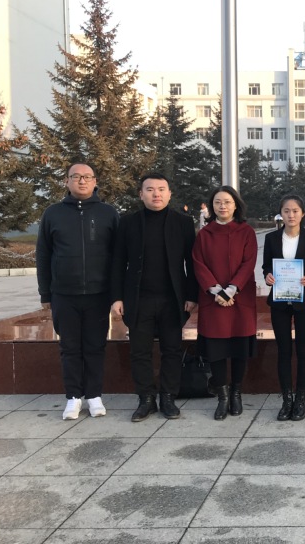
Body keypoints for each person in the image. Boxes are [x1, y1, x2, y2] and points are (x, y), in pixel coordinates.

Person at [111, 173, 198, 422]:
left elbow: (191, 263)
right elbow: (118, 262)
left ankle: (168, 397)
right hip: (139, 298)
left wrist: (191, 295)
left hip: (173, 299)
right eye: (150, 189)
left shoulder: (183, 222)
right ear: (141, 194)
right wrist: (117, 297)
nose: (156, 194)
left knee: (172, 350)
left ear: (169, 194)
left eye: (161, 189)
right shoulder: (128, 223)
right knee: (140, 351)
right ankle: (146, 399)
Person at [36, 162, 119, 420]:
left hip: (98, 294)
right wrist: (45, 294)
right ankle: (73, 397)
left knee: (95, 346)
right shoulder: (53, 214)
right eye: (76, 176)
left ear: (95, 181)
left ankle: (94, 395)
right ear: (66, 181)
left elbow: (118, 257)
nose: (82, 181)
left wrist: (116, 294)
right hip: (64, 294)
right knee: (69, 347)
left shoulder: (108, 213)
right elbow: (43, 255)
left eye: (87, 177)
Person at [192, 185, 258, 421]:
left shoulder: (246, 231)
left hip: (240, 297)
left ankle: (236, 393)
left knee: (239, 349)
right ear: (212, 206)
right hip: (214, 300)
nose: (223, 206)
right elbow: (198, 263)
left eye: (227, 202)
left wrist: (231, 290)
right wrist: (216, 290)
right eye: (218, 202)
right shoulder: (205, 234)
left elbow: (249, 263)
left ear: (236, 205)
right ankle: (222, 396)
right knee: (216, 350)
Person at [263, 194, 305, 421]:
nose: (291, 215)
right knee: (283, 350)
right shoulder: (271, 238)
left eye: (295, 211)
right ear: (281, 213)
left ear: (303, 213)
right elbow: (266, 266)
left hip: (304, 300)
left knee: (303, 349)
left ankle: (300, 398)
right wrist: (268, 276)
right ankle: (286, 399)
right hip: (279, 301)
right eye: (286, 211)